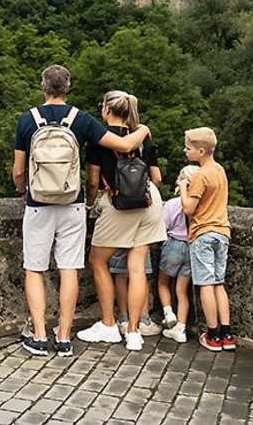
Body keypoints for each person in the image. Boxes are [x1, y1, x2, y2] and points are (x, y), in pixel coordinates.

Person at [12, 66, 151, 358]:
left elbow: (18, 171)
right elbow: (125, 144)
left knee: (34, 268)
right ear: (68, 88)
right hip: (72, 203)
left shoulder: (27, 120)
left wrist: (24, 190)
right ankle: (64, 338)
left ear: (43, 87)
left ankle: (38, 336)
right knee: (69, 268)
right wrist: (143, 130)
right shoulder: (81, 119)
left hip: (38, 204)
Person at [77, 90, 166, 352]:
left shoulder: (99, 139)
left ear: (107, 109)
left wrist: (91, 204)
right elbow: (157, 177)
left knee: (98, 261)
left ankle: (108, 324)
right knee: (137, 266)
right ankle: (134, 332)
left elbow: (93, 180)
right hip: (150, 200)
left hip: (119, 203)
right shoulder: (143, 137)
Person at [181, 127, 234, 352]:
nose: (185, 151)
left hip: (203, 232)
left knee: (205, 284)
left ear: (201, 151)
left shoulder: (201, 175)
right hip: (222, 231)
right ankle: (226, 333)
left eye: (188, 148)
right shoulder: (219, 170)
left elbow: (188, 208)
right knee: (218, 283)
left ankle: (212, 335)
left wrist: (183, 186)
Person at [159, 165, 199, 344]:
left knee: (163, 282)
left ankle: (168, 313)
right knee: (182, 291)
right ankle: (180, 329)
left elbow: (163, 226)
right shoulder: (199, 205)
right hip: (191, 247)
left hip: (173, 244)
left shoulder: (172, 204)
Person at [108, 248, 162, 338]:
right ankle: (144, 321)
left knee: (121, 275)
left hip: (120, 237)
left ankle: (123, 319)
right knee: (140, 272)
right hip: (140, 237)